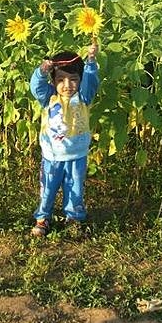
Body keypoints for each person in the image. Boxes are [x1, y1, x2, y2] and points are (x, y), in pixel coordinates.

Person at [29, 42, 99, 237]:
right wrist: (43, 70)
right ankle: (43, 218)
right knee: (48, 189)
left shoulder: (83, 98)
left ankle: (74, 219)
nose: (67, 85)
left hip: (77, 154)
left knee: (75, 189)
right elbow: (36, 87)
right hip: (52, 155)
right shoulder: (49, 97)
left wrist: (91, 61)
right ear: (53, 81)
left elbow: (91, 82)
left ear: (80, 80)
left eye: (73, 79)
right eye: (61, 80)